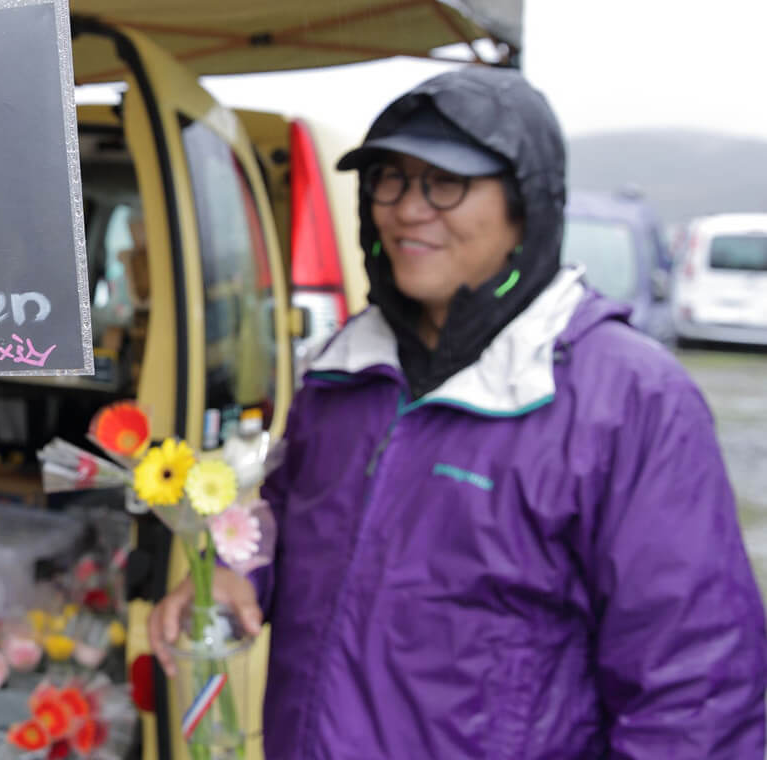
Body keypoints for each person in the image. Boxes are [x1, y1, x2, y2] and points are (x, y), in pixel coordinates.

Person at [148, 68, 767, 757]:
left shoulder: (629, 401)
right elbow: (291, 513)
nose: (409, 209)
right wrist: (238, 569)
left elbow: (695, 694)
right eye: (389, 178)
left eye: (445, 182)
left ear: (525, 205)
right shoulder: (345, 370)